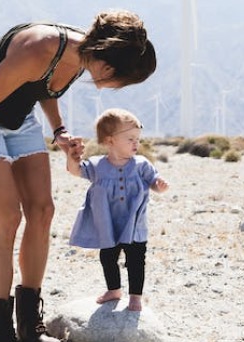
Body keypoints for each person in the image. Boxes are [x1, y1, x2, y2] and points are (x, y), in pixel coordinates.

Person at [0, 10, 156, 342]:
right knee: (8, 219)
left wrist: (58, 130)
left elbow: (45, 87)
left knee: (43, 211)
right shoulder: (40, 46)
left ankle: (29, 326)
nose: (119, 87)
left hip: (20, 118)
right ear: (109, 66)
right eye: (123, 80)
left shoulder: (82, 57)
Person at [66, 108, 169, 312]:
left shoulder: (141, 165)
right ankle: (114, 290)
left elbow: (153, 182)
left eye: (138, 139)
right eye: (130, 138)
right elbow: (75, 170)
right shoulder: (97, 166)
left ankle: (136, 297)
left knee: (136, 260)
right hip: (108, 224)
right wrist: (72, 157)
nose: (136, 143)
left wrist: (160, 185)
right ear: (110, 140)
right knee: (108, 257)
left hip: (134, 225)